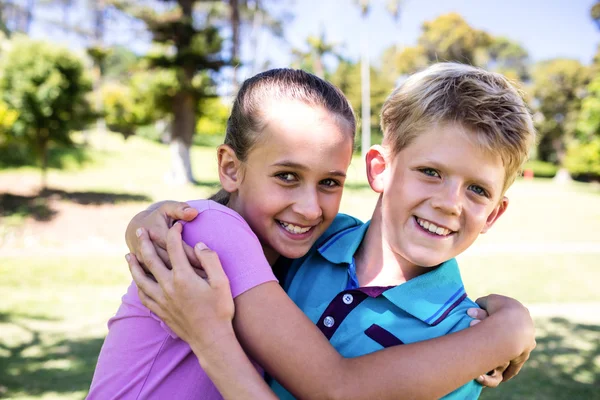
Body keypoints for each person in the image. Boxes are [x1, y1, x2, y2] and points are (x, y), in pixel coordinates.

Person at [90, 66, 536, 399]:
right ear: (380, 169)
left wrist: (507, 324)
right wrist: (506, 333)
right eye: (431, 172)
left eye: (476, 189)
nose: (448, 203)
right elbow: (335, 388)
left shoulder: (461, 337)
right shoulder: (300, 244)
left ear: (494, 213)